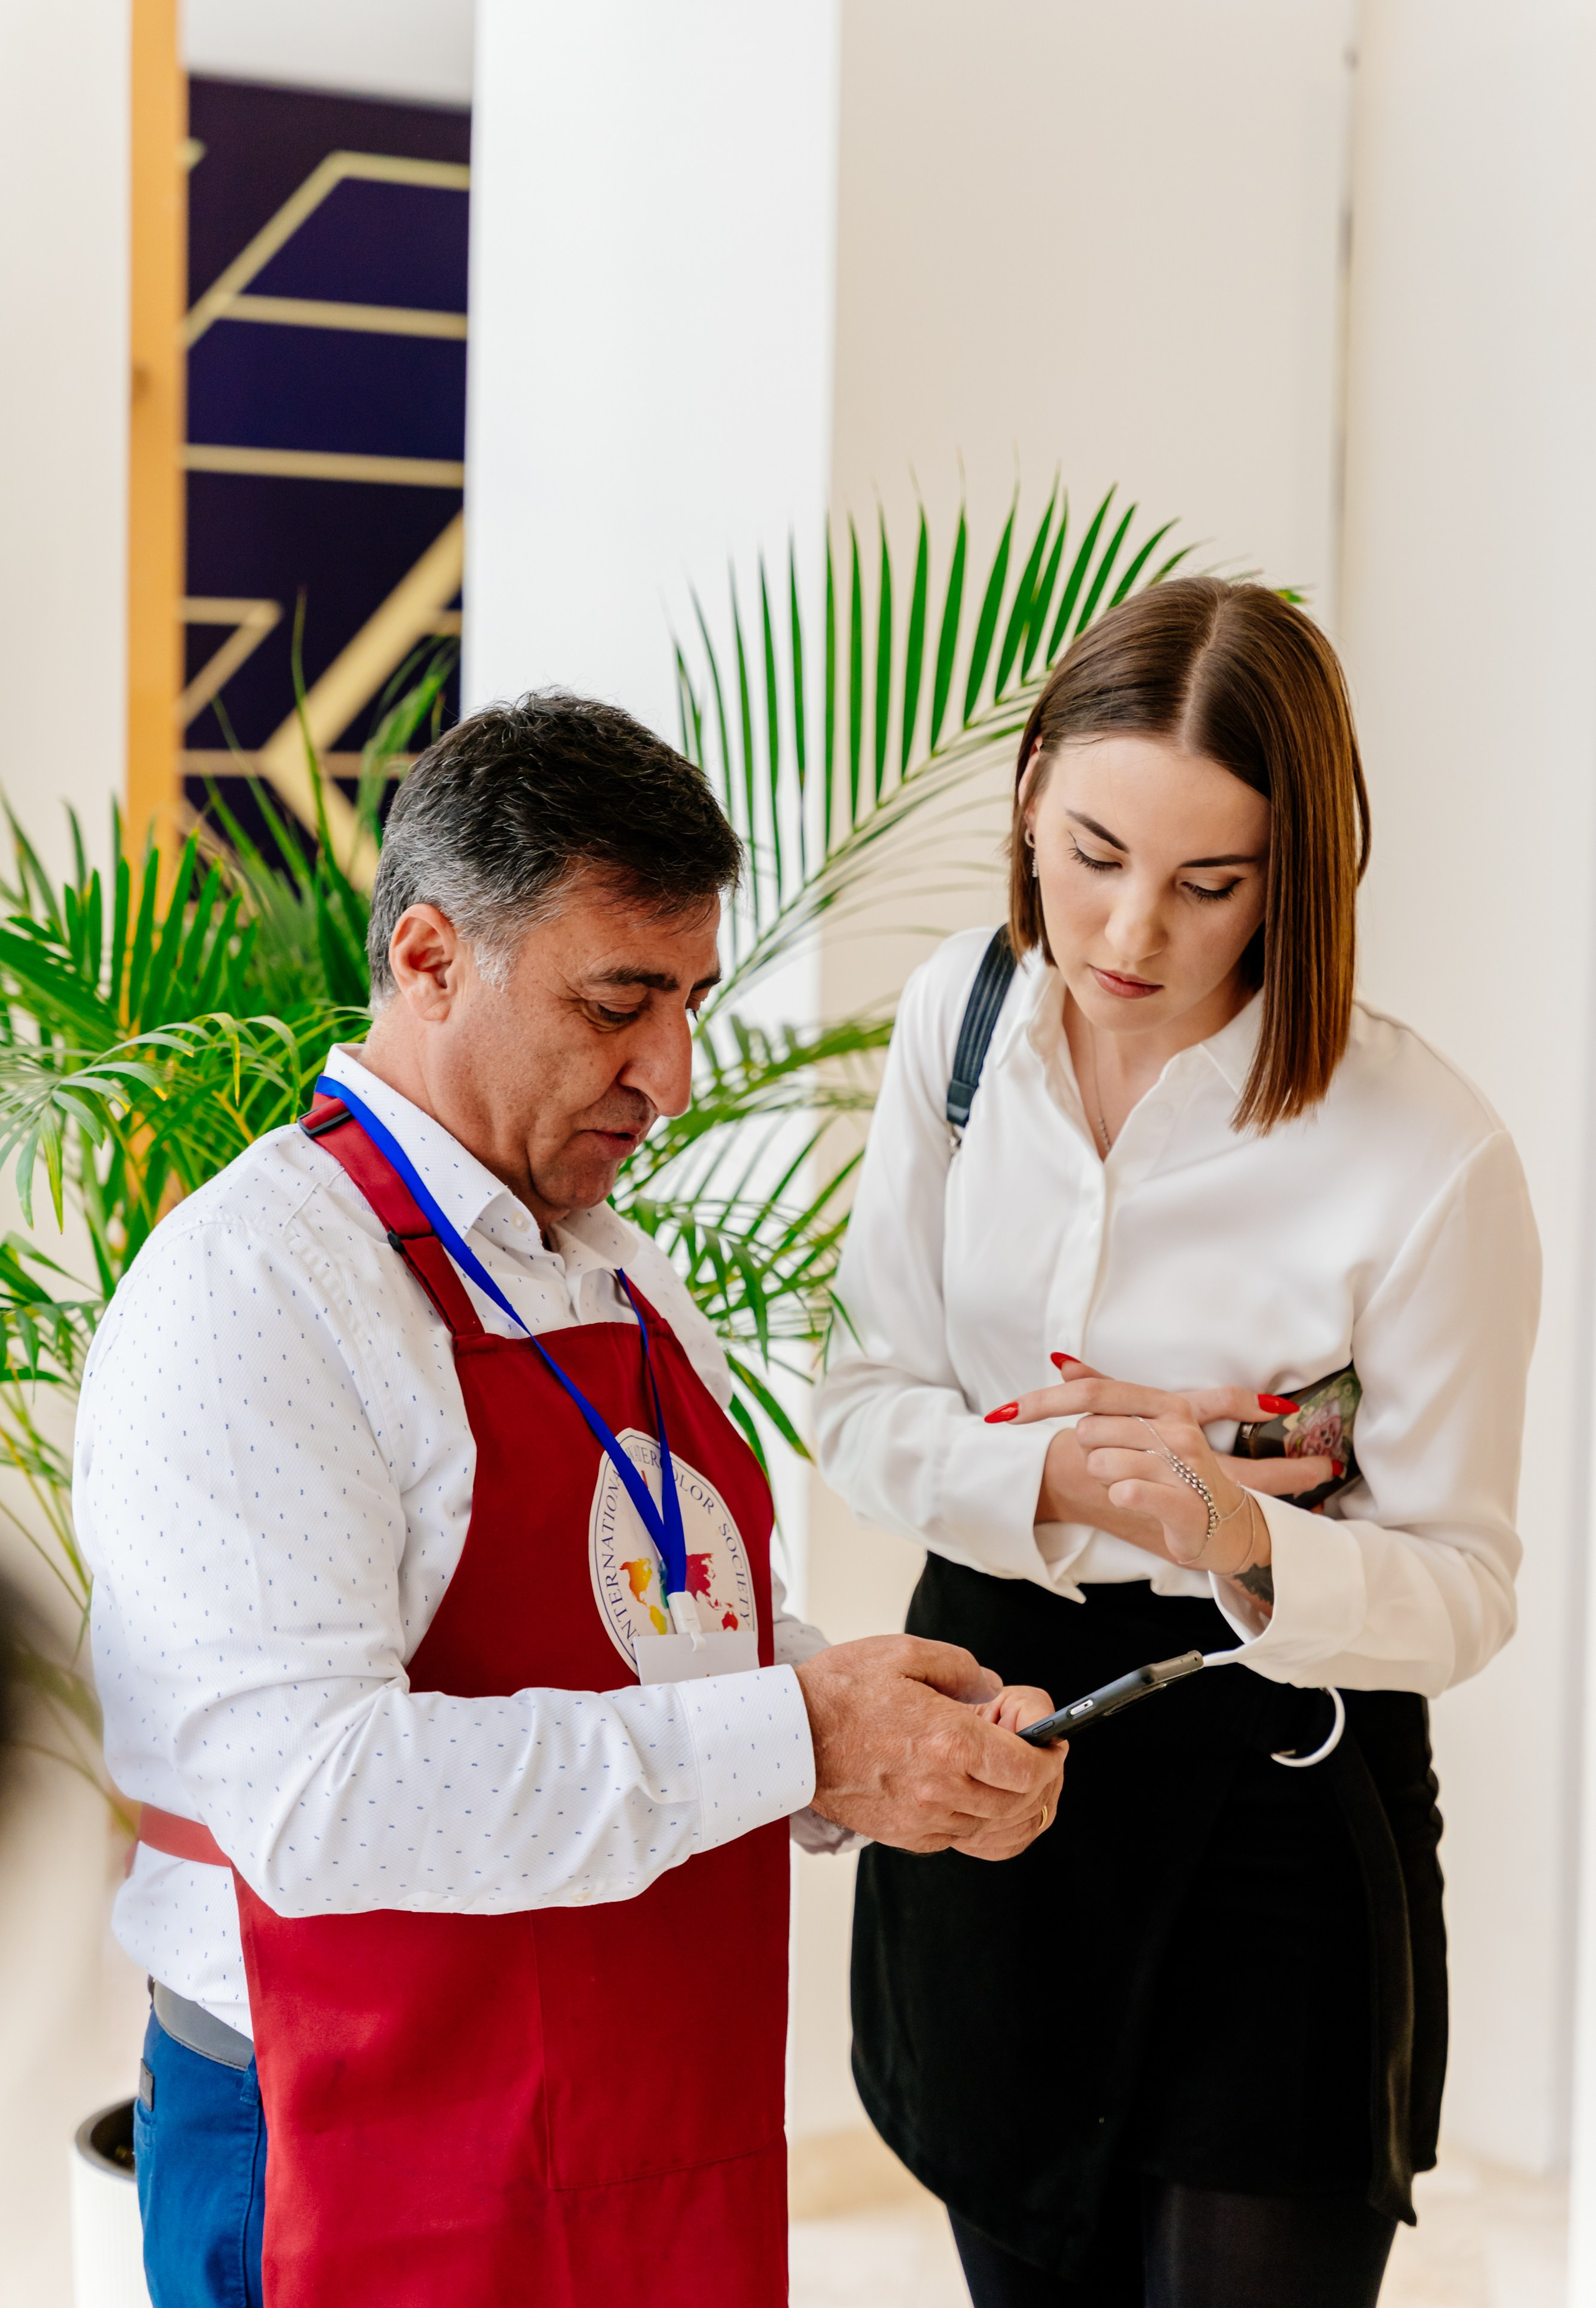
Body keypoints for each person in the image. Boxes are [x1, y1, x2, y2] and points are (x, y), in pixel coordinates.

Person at [77, 696, 1064, 2308]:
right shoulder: (255, 1290)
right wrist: (798, 1735)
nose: (669, 1074)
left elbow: (664, 1625)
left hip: (640, 2109)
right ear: (428, 959)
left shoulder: (608, 1263)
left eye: (688, 1002)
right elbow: (317, 1802)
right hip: (349, 2130)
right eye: (619, 1004)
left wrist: (878, 1735)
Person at [815, 580, 1538, 2308]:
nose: (1129, 928)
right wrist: (1066, 1480)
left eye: (1212, 884)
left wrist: (1239, 1532)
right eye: (1090, 853)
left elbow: (1466, 1595)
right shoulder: (962, 1022)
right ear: (1031, 787)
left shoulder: (1424, 1154)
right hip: (992, 1723)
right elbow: (861, 1404)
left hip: (1277, 1783)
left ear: (1296, 878)